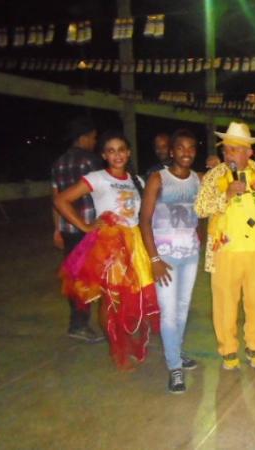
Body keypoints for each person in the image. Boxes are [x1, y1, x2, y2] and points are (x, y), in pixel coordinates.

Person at [55, 131, 159, 370]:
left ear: (128, 152)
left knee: (134, 298)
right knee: (111, 301)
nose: (117, 155)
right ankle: (117, 349)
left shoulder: (138, 181)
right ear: (103, 155)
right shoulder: (97, 177)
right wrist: (86, 226)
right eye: (111, 151)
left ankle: (127, 339)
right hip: (111, 246)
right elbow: (61, 200)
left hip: (136, 243)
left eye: (121, 149)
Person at [195, 122, 255, 370]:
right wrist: (226, 196)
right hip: (226, 252)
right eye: (226, 150)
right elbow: (200, 208)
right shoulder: (215, 175)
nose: (228, 154)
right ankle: (228, 350)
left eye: (234, 150)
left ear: (248, 152)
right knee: (225, 303)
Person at [139, 129, 201, 394]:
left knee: (183, 307)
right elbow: (144, 220)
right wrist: (154, 258)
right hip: (165, 256)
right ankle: (174, 366)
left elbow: (205, 214)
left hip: (190, 255)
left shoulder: (199, 179)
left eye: (191, 148)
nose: (186, 153)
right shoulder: (158, 178)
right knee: (169, 311)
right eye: (181, 148)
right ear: (172, 151)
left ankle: (177, 350)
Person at [51, 116, 103, 343]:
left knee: (75, 277)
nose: (94, 142)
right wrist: (88, 226)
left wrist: (57, 229)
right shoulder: (90, 162)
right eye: (93, 137)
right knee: (92, 279)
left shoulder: (58, 163)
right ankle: (82, 324)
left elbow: (56, 199)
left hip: (68, 229)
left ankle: (77, 323)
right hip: (88, 229)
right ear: (83, 138)